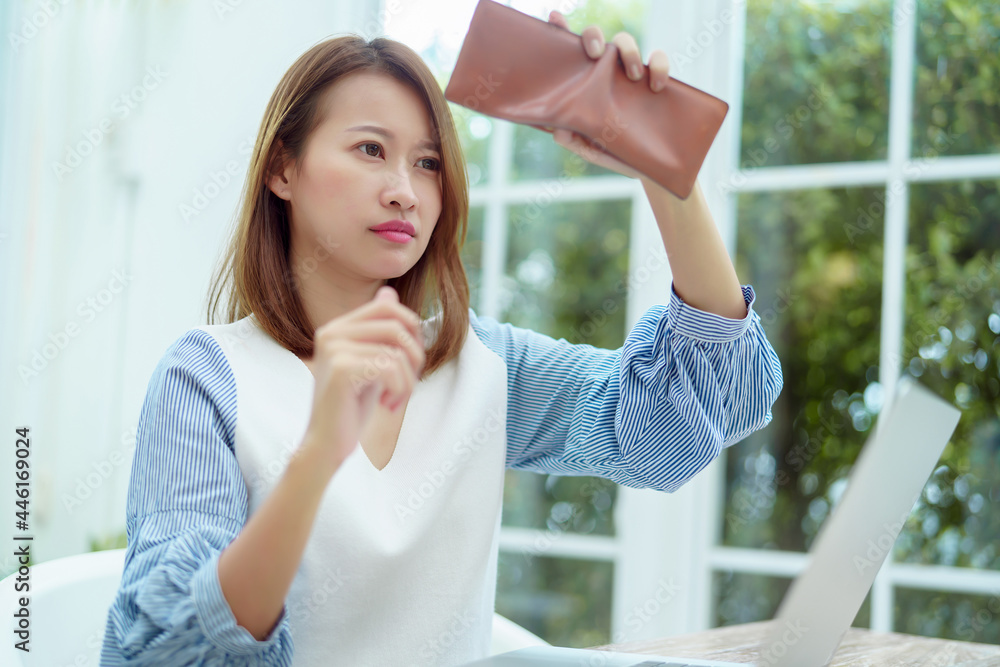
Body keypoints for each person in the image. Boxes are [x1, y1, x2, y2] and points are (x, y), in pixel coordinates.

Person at [99, 9, 782, 667]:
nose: (405, 191)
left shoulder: (484, 365)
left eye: (427, 163)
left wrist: (666, 177)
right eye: (371, 150)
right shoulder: (207, 379)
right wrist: (317, 454)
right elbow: (170, 648)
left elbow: (674, 428)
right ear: (283, 169)